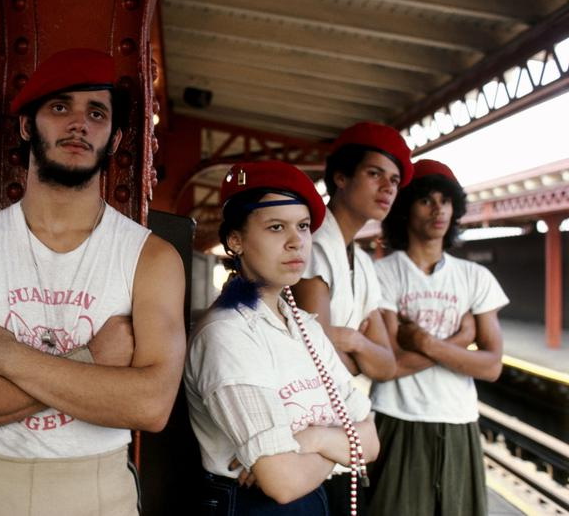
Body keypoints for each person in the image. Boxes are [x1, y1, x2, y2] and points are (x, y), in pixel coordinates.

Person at [0, 48, 186, 516]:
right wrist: (93, 361)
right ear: (27, 126)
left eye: (96, 113)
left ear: (115, 138)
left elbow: (150, 405)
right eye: (60, 107)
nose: (79, 123)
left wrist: (1, 354)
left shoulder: (152, 258)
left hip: (96, 490)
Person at [184, 161, 379, 515]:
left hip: (310, 501)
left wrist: (311, 439)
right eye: (276, 227)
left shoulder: (305, 327)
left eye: (303, 227)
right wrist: (335, 446)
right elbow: (282, 482)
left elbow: (372, 441)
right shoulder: (228, 334)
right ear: (236, 240)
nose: (296, 242)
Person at [368, 159, 507, 516]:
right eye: (426, 200)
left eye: (445, 201)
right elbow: (391, 364)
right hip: (397, 418)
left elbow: (491, 366)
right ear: (405, 208)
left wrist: (425, 342)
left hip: (459, 421)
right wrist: (461, 339)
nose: (438, 210)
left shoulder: (475, 277)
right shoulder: (382, 274)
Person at [290, 122, 410, 514]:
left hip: (342, 437)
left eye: (394, 180)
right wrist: (357, 354)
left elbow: (387, 365)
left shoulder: (364, 262)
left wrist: (354, 341)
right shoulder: (313, 244)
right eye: (375, 174)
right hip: (305, 439)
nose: (388, 188)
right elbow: (313, 356)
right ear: (341, 177)